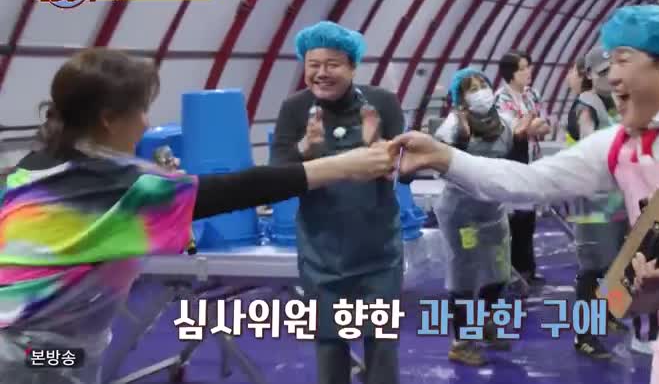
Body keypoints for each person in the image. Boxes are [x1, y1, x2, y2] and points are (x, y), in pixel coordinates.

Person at [394, 5, 659, 384]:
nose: (611, 75)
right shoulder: (617, 144)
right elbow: (530, 181)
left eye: (623, 59)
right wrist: (444, 157)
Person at [0, 48, 397, 384]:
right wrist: (344, 165)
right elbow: (236, 189)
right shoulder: (119, 187)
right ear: (108, 119)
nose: (146, 123)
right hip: (35, 357)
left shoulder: (35, 168)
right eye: (141, 110)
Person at [270, 21, 407, 384]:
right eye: (313, 64)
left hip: (378, 250)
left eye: (332, 64)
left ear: (352, 66)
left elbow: (404, 171)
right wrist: (306, 148)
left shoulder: (382, 103)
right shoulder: (294, 108)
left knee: (382, 344)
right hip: (322, 254)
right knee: (329, 345)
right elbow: (276, 178)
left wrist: (377, 147)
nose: (321, 73)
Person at [433, 68, 514, 366]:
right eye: (472, 88)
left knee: (499, 271)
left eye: (483, 85)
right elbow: (439, 167)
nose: (480, 92)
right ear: (461, 97)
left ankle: (487, 323)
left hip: (492, 210)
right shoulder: (453, 126)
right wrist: (461, 143)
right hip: (461, 214)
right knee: (464, 276)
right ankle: (462, 342)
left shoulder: (504, 123)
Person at [564, 50, 630, 359]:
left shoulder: (613, 103)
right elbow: (592, 151)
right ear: (589, 74)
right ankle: (584, 335)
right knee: (591, 268)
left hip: (615, 198)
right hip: (591, 202)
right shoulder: (585, 108)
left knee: (615, 263)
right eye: (603, 72)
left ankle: (608, 313)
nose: (610, 76)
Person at [495, 50, 550, 285]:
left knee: (529, 218)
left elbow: (544, 126)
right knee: (514, 218)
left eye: (529, 67)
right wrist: (529, 126)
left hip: (532, 161)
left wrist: (530, 126)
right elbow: (514, 131)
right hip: (512, 161)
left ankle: (527, 268)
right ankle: (512, 271)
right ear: (510, 73)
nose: (529, 72)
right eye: (523, 68)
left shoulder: (532, 94)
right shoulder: (500, 99)